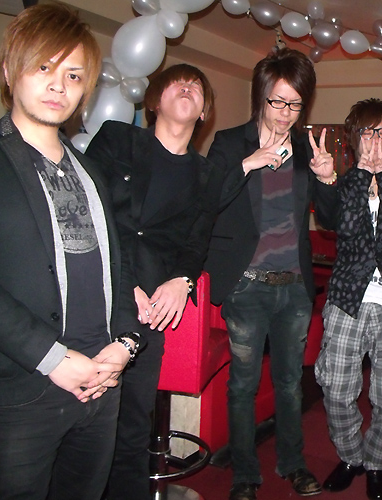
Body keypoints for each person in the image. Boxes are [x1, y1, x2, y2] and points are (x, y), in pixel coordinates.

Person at [0, 4, 139, 500]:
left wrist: (126, 343)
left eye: (73, 75)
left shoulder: (91, 170)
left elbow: (117, 265)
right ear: (10, 71)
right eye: (44, 67)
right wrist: (53, 359)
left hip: (101, 384)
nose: (58, 85)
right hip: (20, 391)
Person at [203, 48, 337, 500]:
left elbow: (331, 219)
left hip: (294, 288)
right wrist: (249, 163)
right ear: (260, 97)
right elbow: (206, 202)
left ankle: (292, 463)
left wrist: (327, 178)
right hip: (246, 287)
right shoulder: (230, 143)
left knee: (290, 385)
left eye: (295, 104)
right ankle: (244, 474)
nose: (285, 112)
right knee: (242, 385)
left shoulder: (306, 149)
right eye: (277, 101)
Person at [85, 64, 222, 500]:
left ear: (204, 112)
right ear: (154, 101)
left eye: (197, 87)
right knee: (81, 426)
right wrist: (125, 280)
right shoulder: (117, 138)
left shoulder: (207, 174)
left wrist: (182, 280)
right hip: (94, 295)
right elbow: (89, 214)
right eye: (178, 83)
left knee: (132, 429)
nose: (189, 88)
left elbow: (196, 243)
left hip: (151, 312)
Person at [315, 98, 382, 500]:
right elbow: (340, 226)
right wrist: (361, 175)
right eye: (367, 132)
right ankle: (350, 456)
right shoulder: (343, 182)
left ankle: (377, 461)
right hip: (347, 297)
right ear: (354, 138)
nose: (375, 140)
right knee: (336, 388)